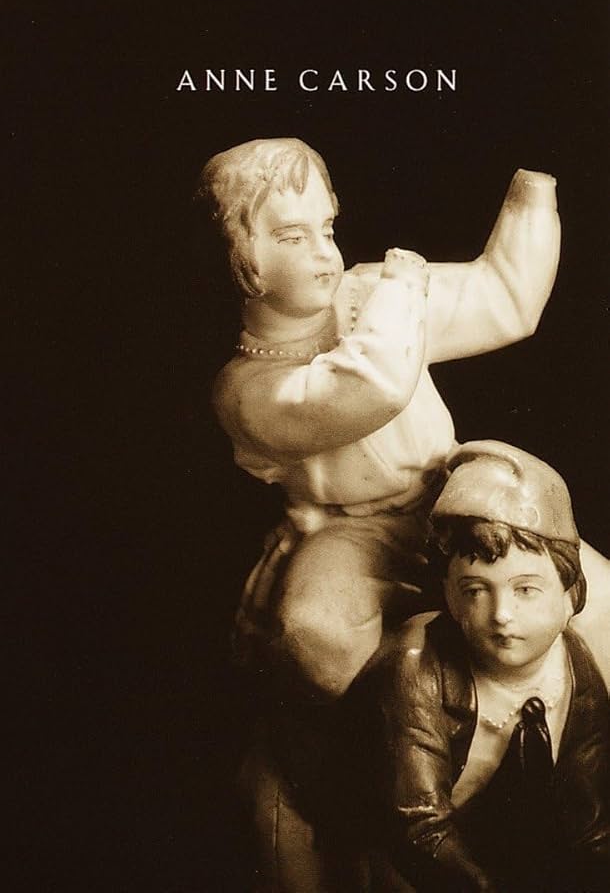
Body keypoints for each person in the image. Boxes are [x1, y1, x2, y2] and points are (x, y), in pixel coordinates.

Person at [199, 138, 562, 701]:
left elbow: (506, 300)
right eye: (292, 237)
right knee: (316, 630)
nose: (325, 254)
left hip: (451, 494)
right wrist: (403, 290)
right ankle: (423, 715)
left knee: (587, 595)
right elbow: (371, 389)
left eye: (327, 229)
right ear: (237, 257)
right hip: (354, 530)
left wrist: (533, 192)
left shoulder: (365, 295)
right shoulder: (247, 389)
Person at [375, 441, 609, 893]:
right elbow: (418, 827)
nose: (501, 615)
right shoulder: (417, 667)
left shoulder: (574, 667)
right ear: (450, 597)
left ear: (571, 597)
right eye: (476, 590)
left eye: (526, 590)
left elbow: (589, 816)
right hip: (406, 862)